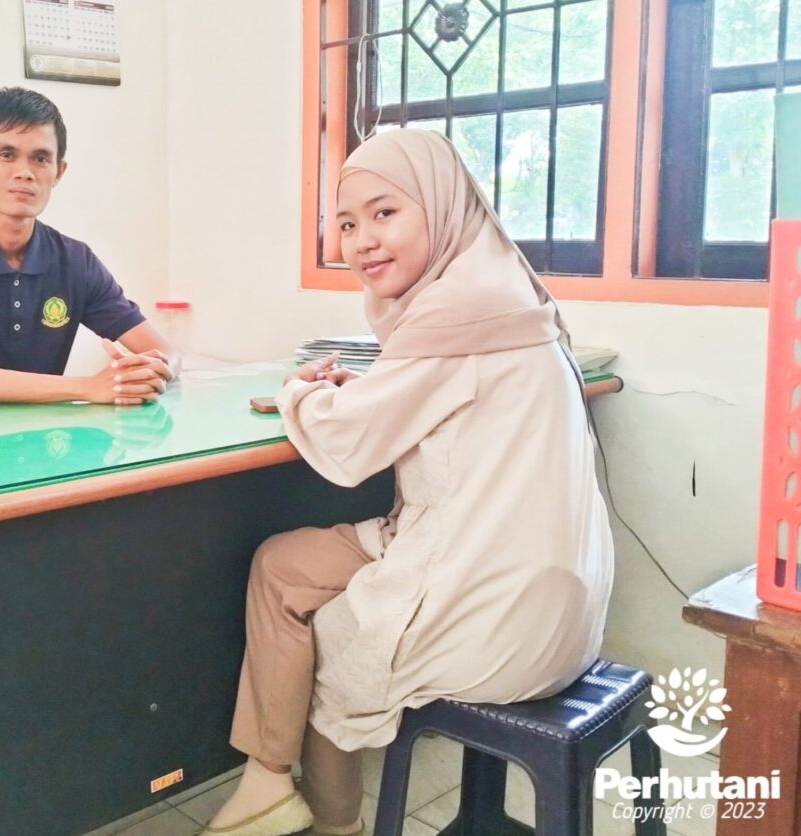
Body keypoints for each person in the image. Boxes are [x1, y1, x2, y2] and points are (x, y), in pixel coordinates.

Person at [201, 129, 614, 836]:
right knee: (280, 567)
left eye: (385, 213)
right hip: (546, 584)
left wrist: (299, 391)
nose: (362, 240)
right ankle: (267, 781)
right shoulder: (495, 290)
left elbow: (348, 444)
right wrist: (360, 391)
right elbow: (427, 398)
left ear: (441, 205)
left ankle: (336, 826)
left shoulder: (459, 310)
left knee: (331, 645)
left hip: (499, 604)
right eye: (347, 223)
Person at [0, 87, 178, 406]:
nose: (24, 173)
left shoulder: (76, 261)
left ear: (59, 172)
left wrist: (147, 373)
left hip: (36, 434)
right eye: (7, 154)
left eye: (40, 159)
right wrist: (87, 387)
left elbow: (167, 354)